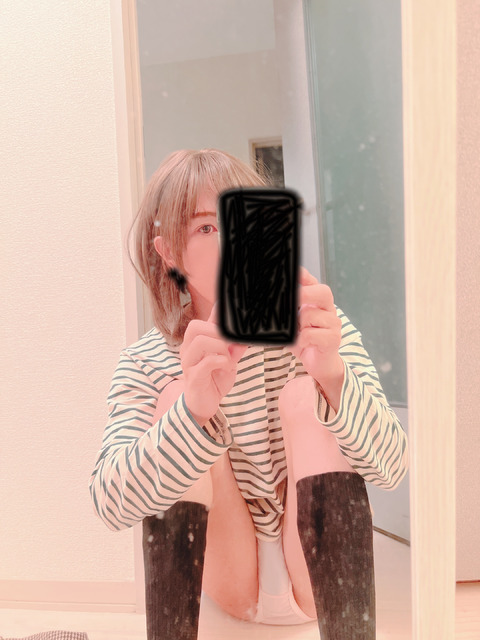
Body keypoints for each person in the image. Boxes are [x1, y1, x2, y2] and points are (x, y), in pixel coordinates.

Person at [89, 149, 408, 640]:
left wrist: (333, 378)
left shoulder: (319, 329)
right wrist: (192, 412)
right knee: (175, 398)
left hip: (314, 572)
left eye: (242, 219)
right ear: (168, 253)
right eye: (206, 227)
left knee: (305, 398)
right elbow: (111, 503)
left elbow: (393, 468)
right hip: (229, 574)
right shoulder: (146, 361)